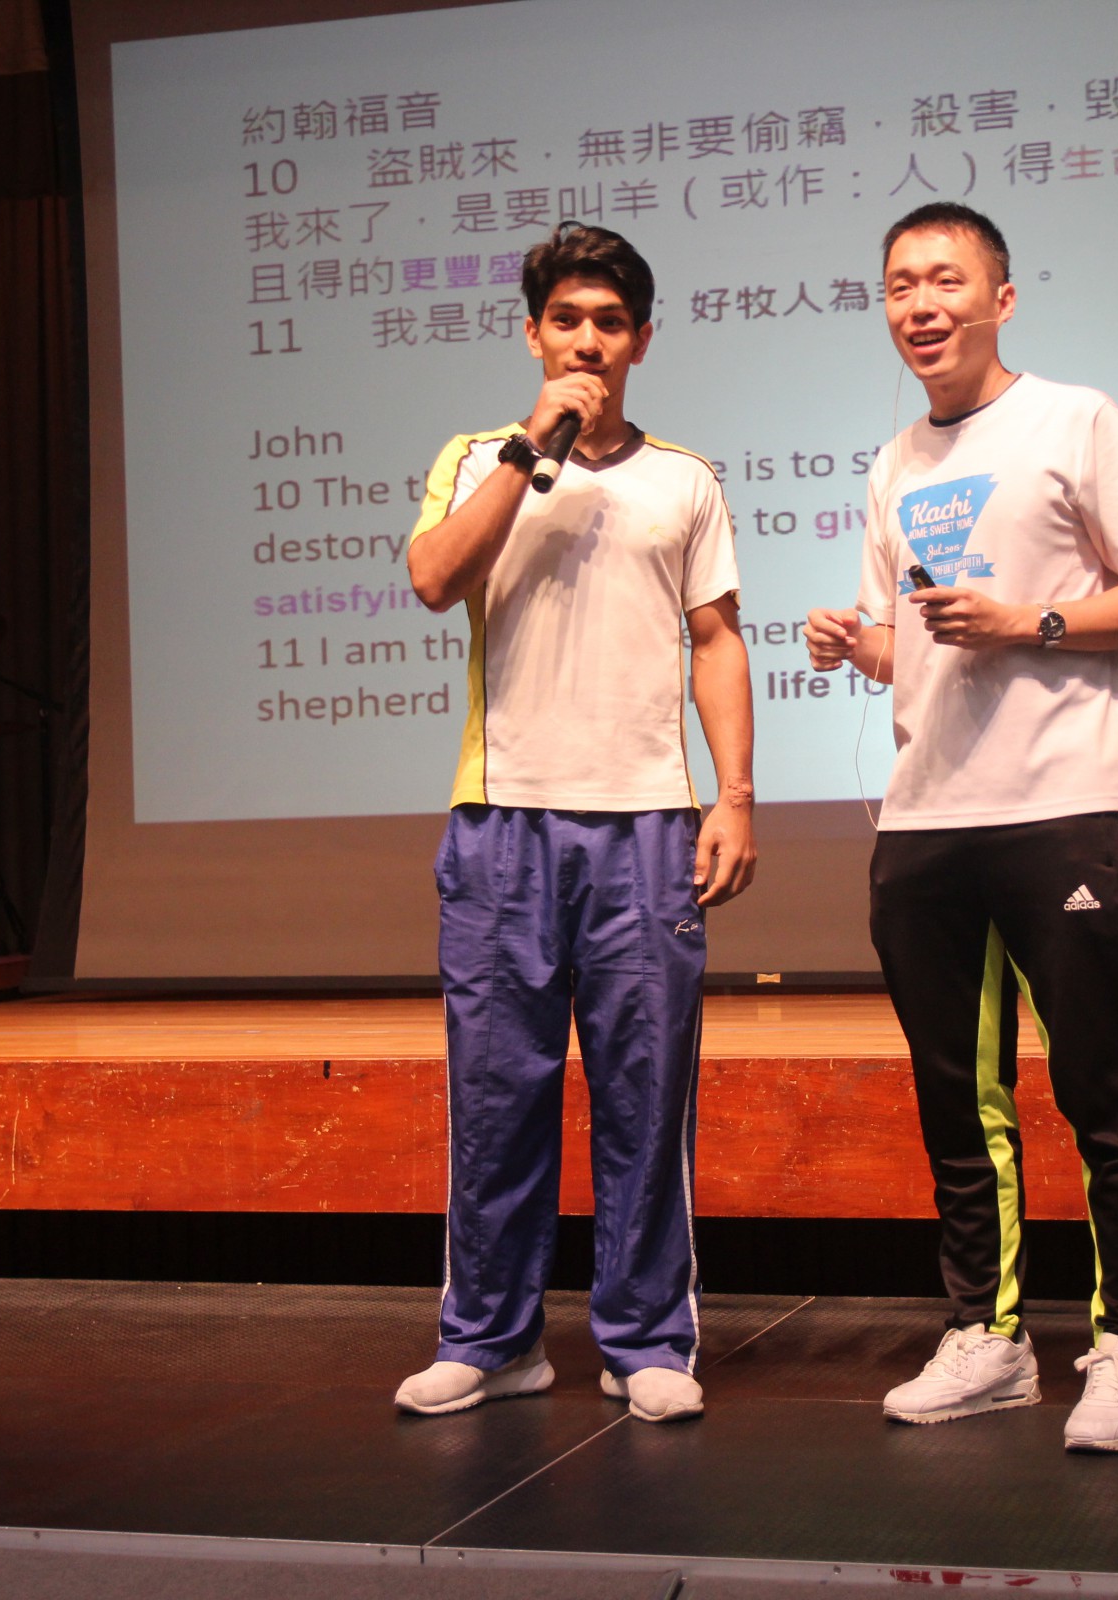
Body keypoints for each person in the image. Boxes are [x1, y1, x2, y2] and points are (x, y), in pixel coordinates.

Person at [805, 202, 1118, 1453]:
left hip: (1060, 804)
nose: (920, 306)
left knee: (1103, 1089)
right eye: (899, 286)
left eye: (944, 280)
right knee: (956, 1099)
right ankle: (988, 1336)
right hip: (926, 818)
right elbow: (910, 645)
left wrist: (1029, 619)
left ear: (1001, 298)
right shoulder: (892, 462)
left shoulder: (1075, 420)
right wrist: (856, 641)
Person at [394, 222, 755, 1425]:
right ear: (533, 334)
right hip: (503, 824)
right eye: (566, 321)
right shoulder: (474, 459)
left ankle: (646, 1338)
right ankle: (492, 1339)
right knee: (498, 1093)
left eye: (609, 322)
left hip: (647, 826)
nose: (587, 342)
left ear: (640, 340)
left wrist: (734, 797)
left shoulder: (685, 479)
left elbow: (717, 641)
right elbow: (435, 577)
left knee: (646, 1096)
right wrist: (528, 450)